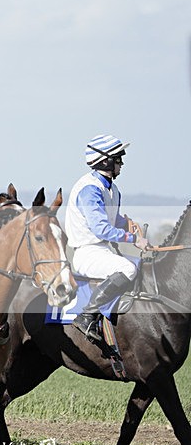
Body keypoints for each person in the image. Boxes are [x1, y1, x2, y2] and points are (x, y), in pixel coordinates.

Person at [65, 134, 149, 342]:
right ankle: (87, 316)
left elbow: (111, 218)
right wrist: (133, 239)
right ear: (105, 161)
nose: (122, 163)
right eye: (118, 158)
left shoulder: (112, 188)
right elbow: (101, 228)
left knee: (142, 266)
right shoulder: (90, 189)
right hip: (87, 252)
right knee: (128, 269)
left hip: (102, 250)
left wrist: (126, 223)